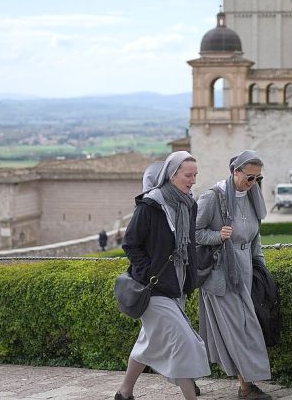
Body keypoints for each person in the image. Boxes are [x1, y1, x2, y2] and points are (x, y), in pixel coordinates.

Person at [116, 152, 209, 400]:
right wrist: (147, 274)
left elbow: (188, 246)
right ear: (172, 174)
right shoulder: (151, 205)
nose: (192, 180)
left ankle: (124, 392)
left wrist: (191, 279)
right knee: (184, 342)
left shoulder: (189, 204)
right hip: (154, 289)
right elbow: (131, 244)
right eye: (188, 175)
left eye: (195, 175)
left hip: (176, 286)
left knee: (148, 343)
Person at [195, 150, 273, 400]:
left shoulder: (251, 197)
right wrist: (218, 236)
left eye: (257, 179)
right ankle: (246, 387)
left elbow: (254, 238)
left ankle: (189, 376)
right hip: (220, 276)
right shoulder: (213, 197)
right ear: (235, 172)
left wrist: (261, 268)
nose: (253, 184)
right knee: (239, 330)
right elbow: (192, 234)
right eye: (249, 178)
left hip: (245, 273)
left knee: (246, 326)